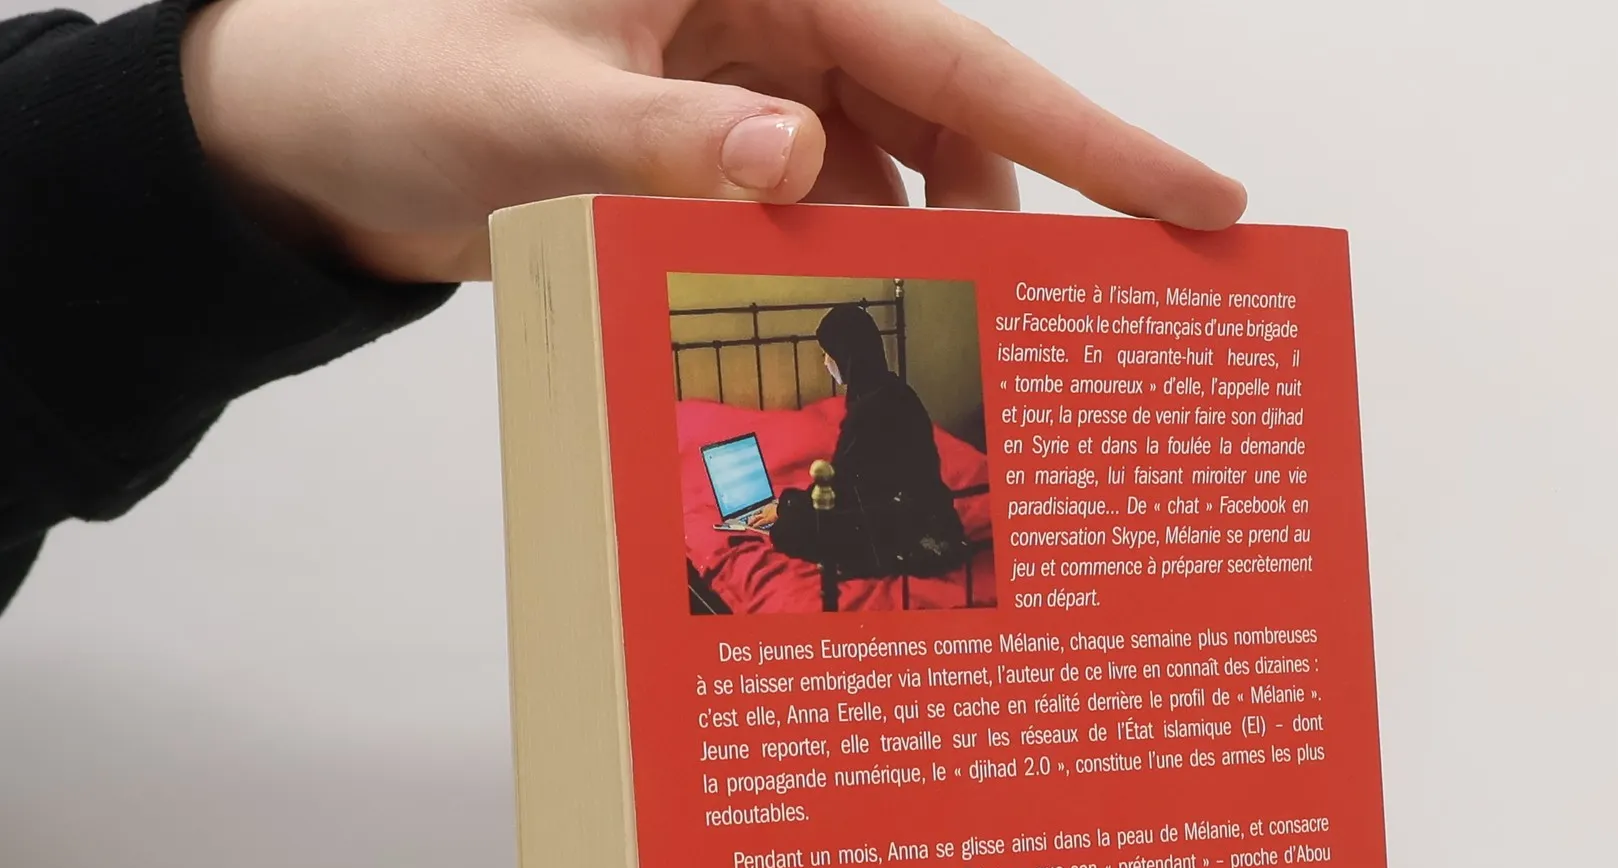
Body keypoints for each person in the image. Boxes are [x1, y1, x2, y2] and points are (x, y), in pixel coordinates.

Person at [0, 0, 1245, 617]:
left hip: (884, 538)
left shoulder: (871, 414)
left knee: (792, 529)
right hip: (896, 529)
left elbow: (882, 504)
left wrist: (812, 508)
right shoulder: (880, 407)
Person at [772, 303, 965, 579]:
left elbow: (838, 485)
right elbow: (865, 481)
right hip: (930, 512)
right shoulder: (896, 390)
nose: (825, 363)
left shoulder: (869, 409)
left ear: (846, 355)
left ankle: (870, 561)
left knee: (786, 530)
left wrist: (786, 506)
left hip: (901, 522)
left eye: (828, 354)